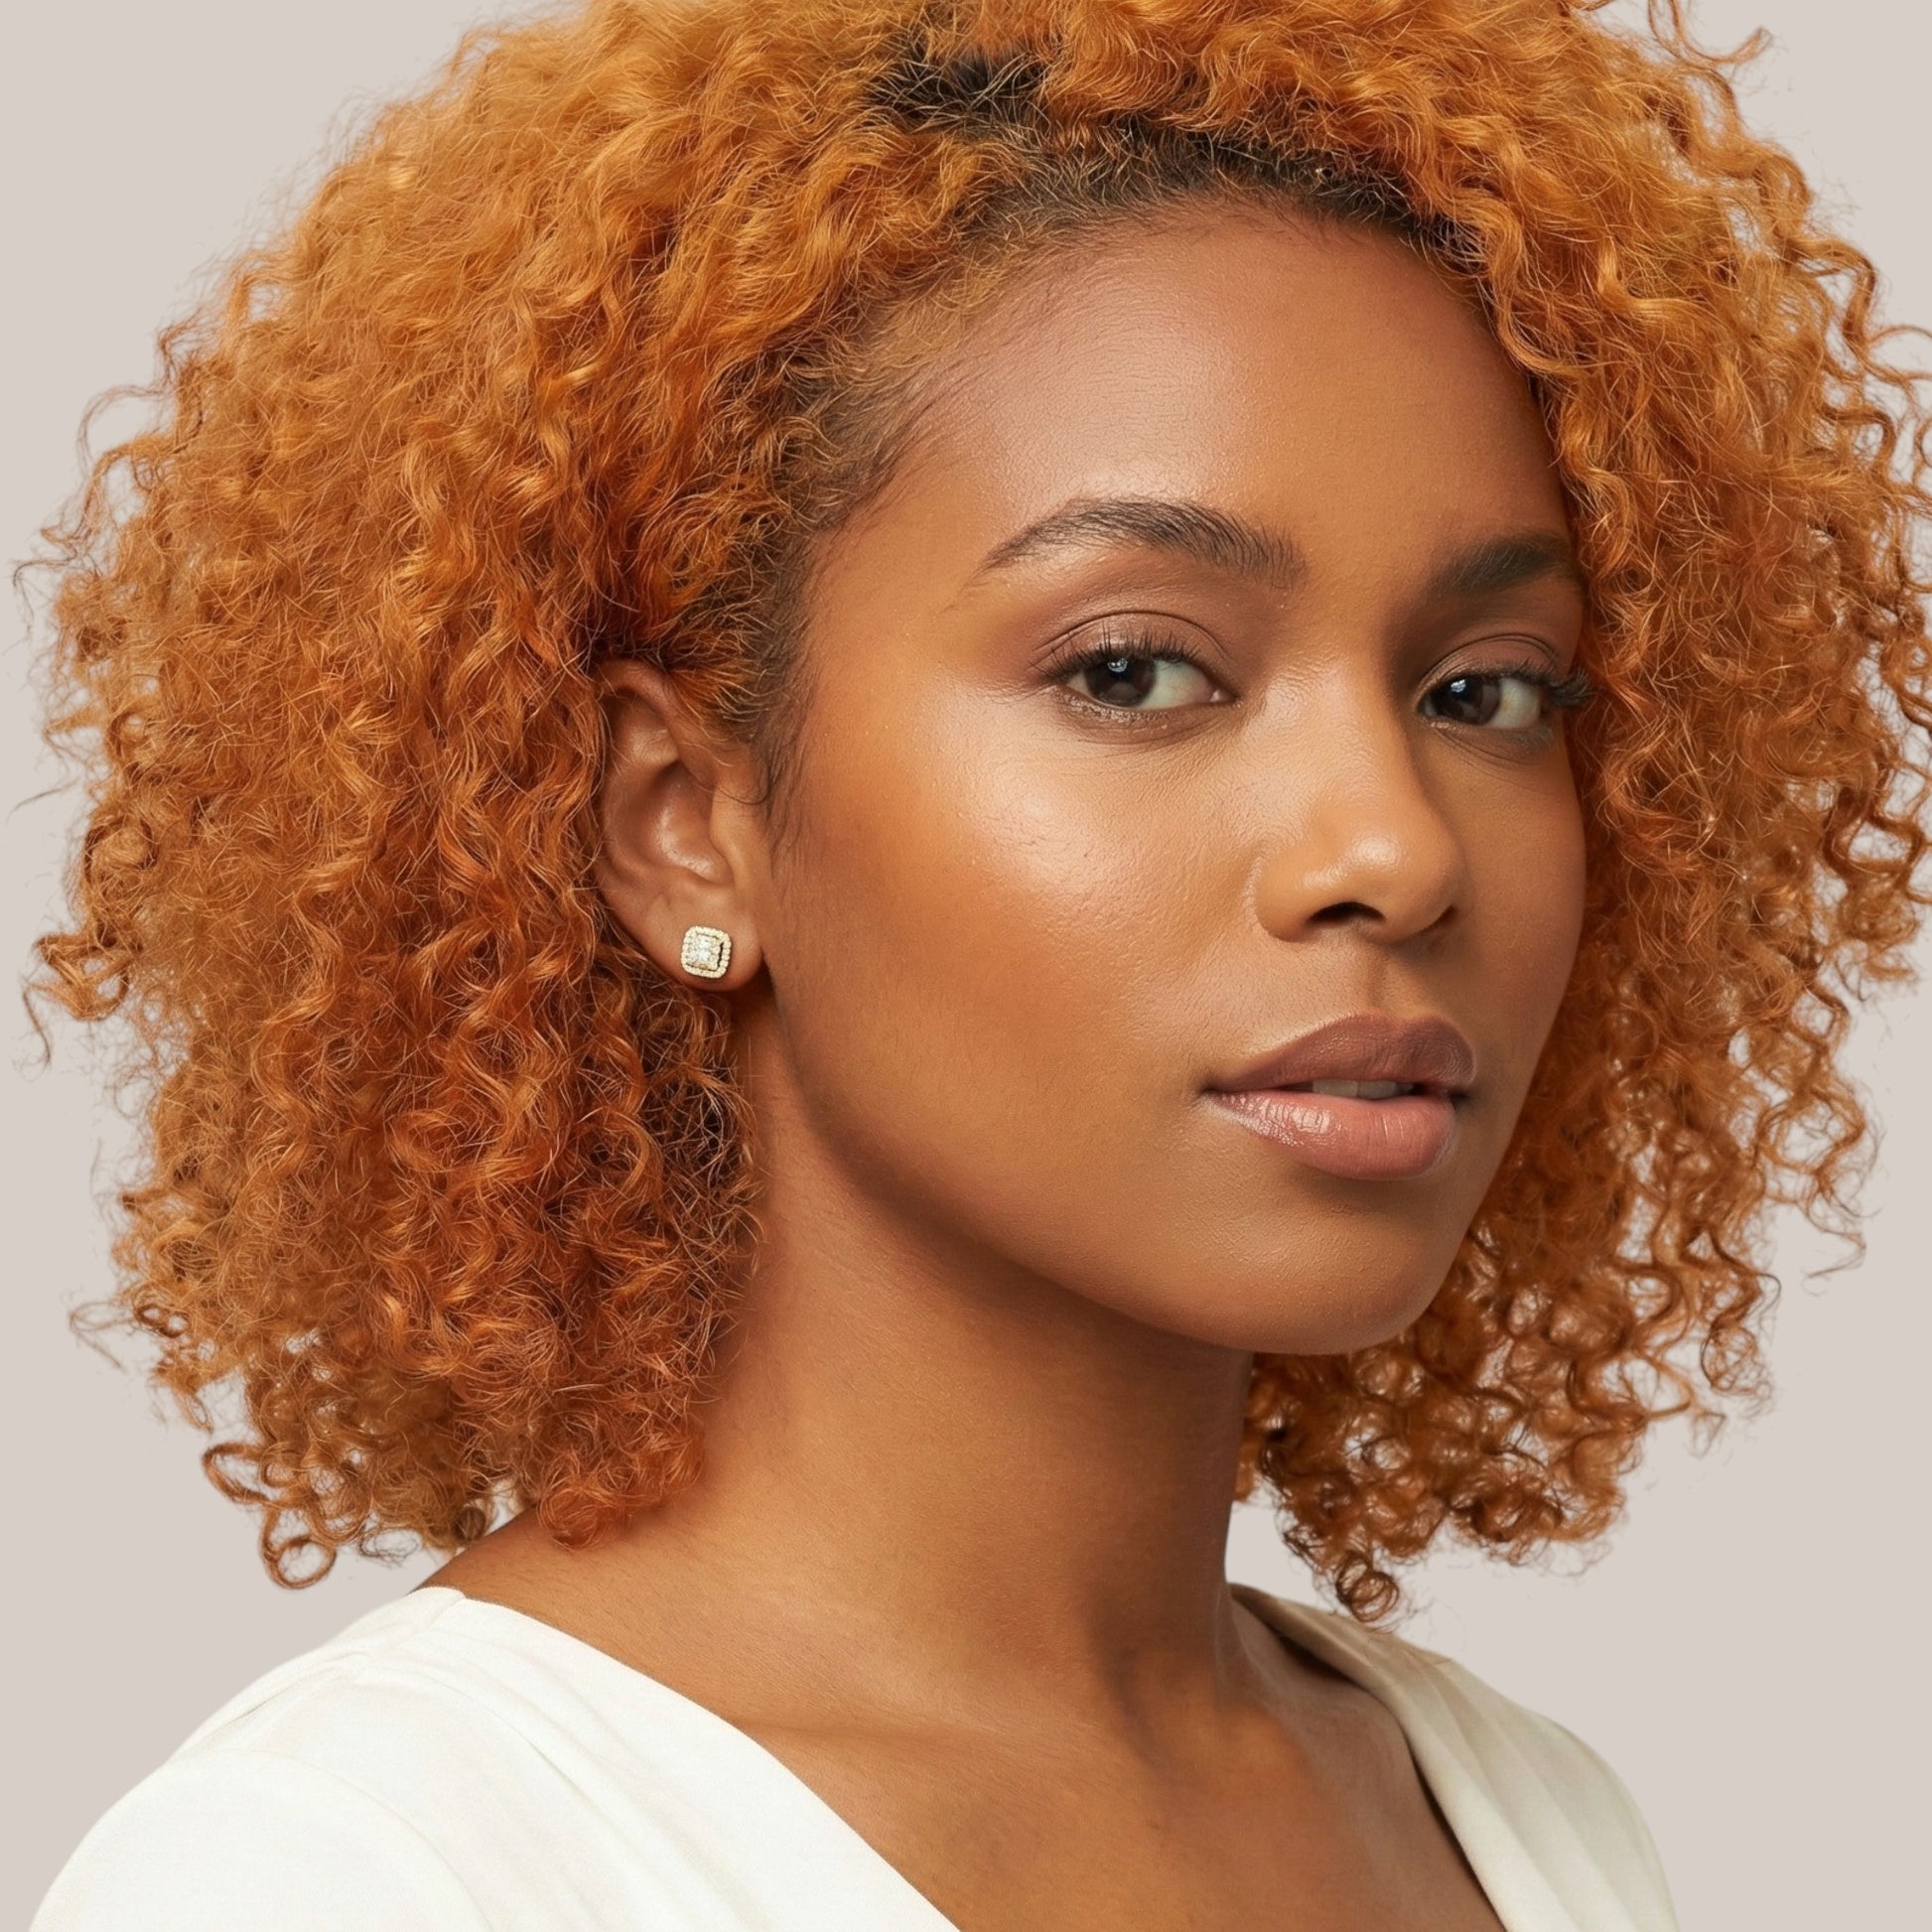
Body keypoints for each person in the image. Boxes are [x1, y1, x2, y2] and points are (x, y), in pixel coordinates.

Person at [24, 0, 1930, 1925]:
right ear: (682, 818)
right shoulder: (362, 1874)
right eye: (1132, 670)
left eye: (1483, 690)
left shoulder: (1524, 1825)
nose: (1395, 846)